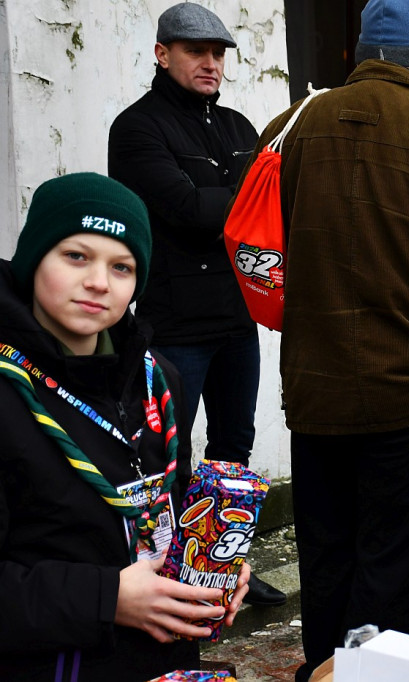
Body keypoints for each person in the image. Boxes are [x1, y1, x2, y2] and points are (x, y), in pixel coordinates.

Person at [239, 0, 409, 678]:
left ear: (361, 54)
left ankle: (321, 670)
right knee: (391, 569)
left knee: (328, 555)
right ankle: (365, 672)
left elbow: (258, 242)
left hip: (316, 388)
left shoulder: (291, 124)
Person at [0, 173, 249, 680]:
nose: (98, 282)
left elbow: (169, 504)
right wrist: (107, 598)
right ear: (33, 259)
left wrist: (208, 565)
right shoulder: (8, 394)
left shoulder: (159, 377)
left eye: (122, 266)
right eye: (76, 256)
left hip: (162, 661)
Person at [107, 2, 284, 607]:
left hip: (236, 316)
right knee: (171, 461)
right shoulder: (136, 128)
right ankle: (172, 576)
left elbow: (265, 211)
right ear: (163, 55)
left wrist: (228, 205)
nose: (210, 64)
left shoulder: (237, 125)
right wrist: (240, 202)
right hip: (173, 322)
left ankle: (222, 565)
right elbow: (187, 211)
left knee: (233, 450)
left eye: (218, 54)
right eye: (196, 52)